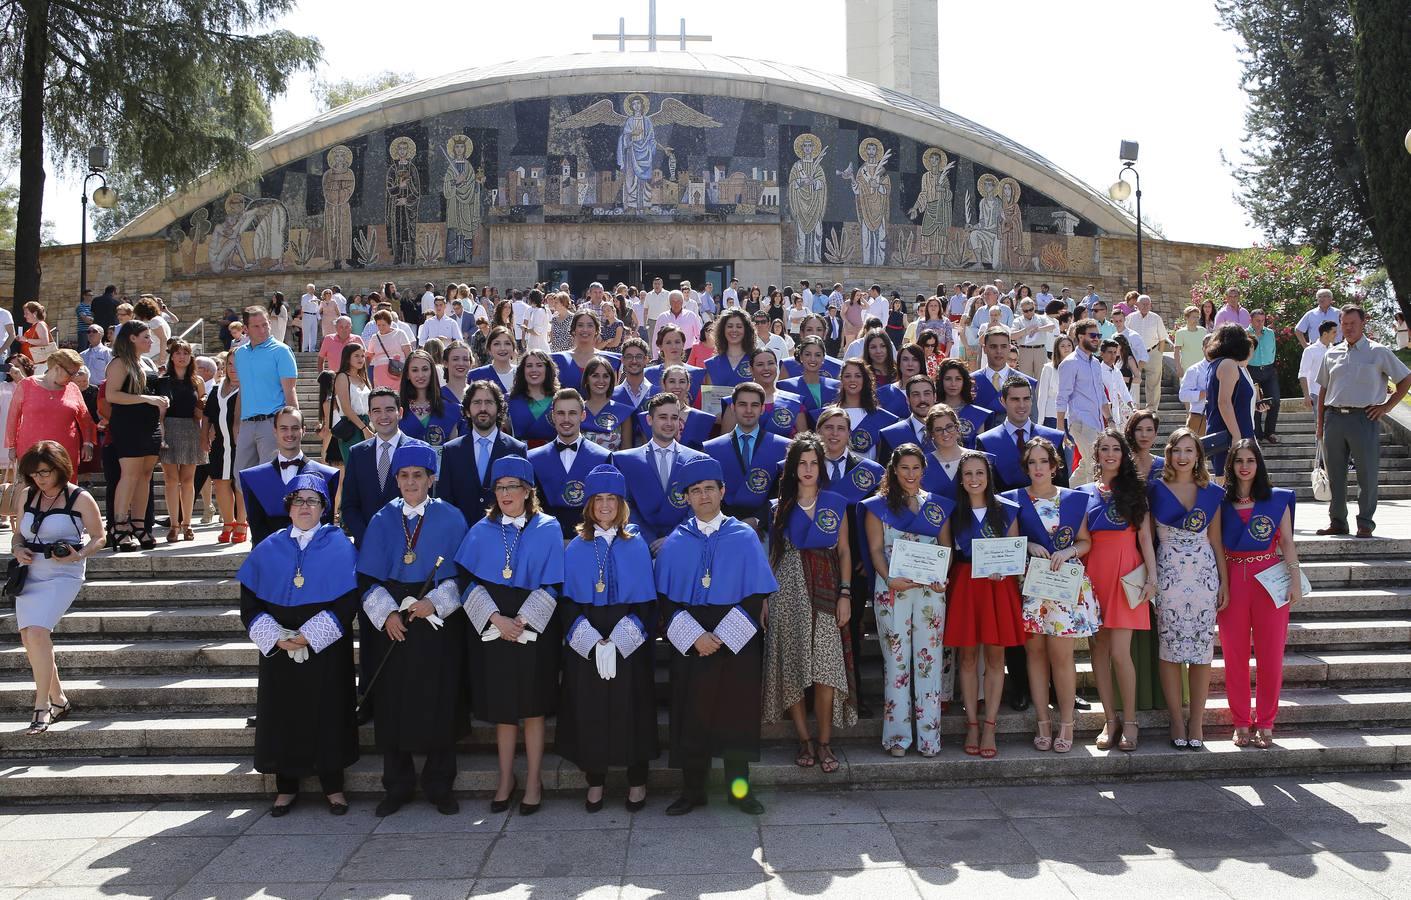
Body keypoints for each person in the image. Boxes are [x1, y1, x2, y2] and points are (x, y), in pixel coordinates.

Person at [656, 455, 775, 816]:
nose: (704, 496)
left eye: (710, 488)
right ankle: (693, 791)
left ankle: (740, 791)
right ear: (687, 498)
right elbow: (665, 599)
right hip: (691, 641)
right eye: (695, 491)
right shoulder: (676, 541)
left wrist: (722, 637)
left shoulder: (744, 536)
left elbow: (756, 593)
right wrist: (696, 638)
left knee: (736, 715)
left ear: (722, 491)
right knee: (692, 715)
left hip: (735, 637)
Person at [355, 446, 469, 816]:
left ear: (431, 479)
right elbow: (367, 578)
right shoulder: (381, 518)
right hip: (394, 623)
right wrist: (387, 613)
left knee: (439, 699)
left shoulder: (451, 518)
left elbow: (463, 576)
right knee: (393, 702)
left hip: (434, 620)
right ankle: (397, 786)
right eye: (403, 476)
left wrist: (435, 602)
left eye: (418, 476)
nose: (410, 483)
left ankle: (440, 785)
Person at [236, 473, 357, 815]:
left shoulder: (339, 544)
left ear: (324, 508)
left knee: (329, 712)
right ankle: (285, 786)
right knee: (283, 713)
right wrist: (277, 635)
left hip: (326, 648)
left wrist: (311, 635)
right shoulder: (268, 547)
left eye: (313, 501)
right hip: (280, 647)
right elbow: (250, 603)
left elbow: (348, 602)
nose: (306, 507)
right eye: (299, 501)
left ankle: (333, 786)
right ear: (289, 507)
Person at [458, 455, 564, 815]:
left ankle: (533, 780)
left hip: (535, 626)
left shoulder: (548, 527)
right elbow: (466, 581)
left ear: (527, 491)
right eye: (500, 487)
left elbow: (554, 581)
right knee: (504, 710)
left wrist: (523, 620)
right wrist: (495, 619)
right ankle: (506, 779)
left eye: (512, 487)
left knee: (533, 708)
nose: (505, 493)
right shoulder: (480, 529)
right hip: (494, 627)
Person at [557, 464, 659, 812]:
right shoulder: (574, 547)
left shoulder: (636, 543)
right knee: (590, 710)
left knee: (634, 709)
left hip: (629, 637)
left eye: (611, 499)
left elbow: (647, 602)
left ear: (621, 504)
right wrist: (590, 641)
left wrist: (619, 641)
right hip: (587, 639)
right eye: (598, 499)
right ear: (588, 505)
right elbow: (567, 602)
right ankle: (595, 780)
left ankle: (637, 781)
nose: (604, 506)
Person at [765, 435, 857, 772]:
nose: (807, 469)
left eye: (814, 463)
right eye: (801, 463)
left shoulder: (835, 502)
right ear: (792, 468)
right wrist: (765, 599)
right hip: (786, 590)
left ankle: (824, 742)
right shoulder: (779, 507)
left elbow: (845, 550)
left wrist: (846, 594)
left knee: (826, 669)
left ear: (821, 466)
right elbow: (772, 556)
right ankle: (804, 740)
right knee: (793, 667)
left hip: (827, 588)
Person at [860, 443, 953, 756]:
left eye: (916, 468)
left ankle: (929, 738)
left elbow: (946, 548)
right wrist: (889, 579)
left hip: (930, 594)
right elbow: (874, 550)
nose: (910, 474)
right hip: (892, 590)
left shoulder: (937, 506)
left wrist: (943, 578)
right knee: (896, 665)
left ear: (923, 471)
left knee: (929, 662)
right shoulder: (877, 506)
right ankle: (898, 738)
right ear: (894, 471)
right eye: (904, 468)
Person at [1006, 438, 1095, 755]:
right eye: (1032, 462)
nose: (1038, 468)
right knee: (1035, 655)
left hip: (1063, 587)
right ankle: (1042, 722)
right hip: (1031, 586)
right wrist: (1028, 546)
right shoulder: (1014, 501)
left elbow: (1085, 541)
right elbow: (1010, 544)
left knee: (1062, 657)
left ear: (1055, 466)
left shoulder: (1072, 500)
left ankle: (1067, 723)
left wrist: (1070, 550)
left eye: (1044, 461)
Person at [8, 442, 105, 734]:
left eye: (45, 472)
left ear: (60, 468)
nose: (39, 479)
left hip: (64, 572)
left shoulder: (80, 497)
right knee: (29, 637)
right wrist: (17, 551)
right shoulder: (26, 494)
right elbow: (17, 536)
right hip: (30, 571)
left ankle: (42, 705)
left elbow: (100, 537)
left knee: (37, 633)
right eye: (34, 473)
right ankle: (59, 699)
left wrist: (80, 554)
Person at [1079, 430, 1159, 752]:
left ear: (1123, 454)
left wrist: (1152, 576)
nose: (1110, 454)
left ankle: (1130, 720)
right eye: (1104, 449)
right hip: (1094, 572)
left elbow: (1144, 539)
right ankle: (1108, 719)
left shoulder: (1137, 491)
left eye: (1116, 449)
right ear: (1096, 454)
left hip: (1127, 574)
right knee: (1097, 648)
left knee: (1120, 652)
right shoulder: (1083, 492)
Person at [1220, 439, 1301, 748]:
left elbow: (1288, 544)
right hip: (1233, 579)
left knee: (1270, 655)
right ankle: (1241, 721)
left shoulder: (1275, 499)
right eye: (1239, 460)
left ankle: (1266, 722)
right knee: (1234, 654)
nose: (1244, 466)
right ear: (1231, 465)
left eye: (1250, 460)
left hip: (1270, 579)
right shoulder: (1221, 502)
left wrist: (1295, 579)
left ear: (1259, 464)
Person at [1149, 428, 1226, 750]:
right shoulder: (1154, 489)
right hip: (1168, 574)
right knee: (1169, 649)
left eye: (1189, 451)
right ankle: (1176, 720)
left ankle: (1196, 720)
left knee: (1201, 651)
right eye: (1177, 450)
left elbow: (1216, 540)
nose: (1182, 456)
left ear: (1198, 456)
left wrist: (1225, 581)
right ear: (1169, 454)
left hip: (1204, 575)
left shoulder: (1211, 492)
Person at [945, 452, 1024, 758]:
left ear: (989, 477)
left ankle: (990, 724)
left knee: (994, 658)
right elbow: (948, 552)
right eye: (968, 474)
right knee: (967, 659)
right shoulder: (953, 512)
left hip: (997, 586)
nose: (974, 479)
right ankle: (972, 723)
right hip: (966, 583)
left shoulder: (1007, 510)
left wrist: (1005, 568)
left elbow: (1014, 554)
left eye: (980, 473)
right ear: (961, 479)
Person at [1315, 305, 1411, 537]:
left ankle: (1365, 522)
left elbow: (1405, 379)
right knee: (1335, 473)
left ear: (1363, 323)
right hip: (1334, 418)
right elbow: (1323, 392)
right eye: (1344, 324)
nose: (1348, 328)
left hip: (1364, 418)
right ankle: (1337, 521)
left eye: (1352, 324)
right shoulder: (1331, 353)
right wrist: (1319, 425)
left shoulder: (1379, 352)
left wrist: (1386, 407)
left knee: (1366, 474)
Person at [616, 393, 708, 552]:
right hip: (640, 546)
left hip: (685, 545)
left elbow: (699, 505)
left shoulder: (698, 459)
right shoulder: (625, 460)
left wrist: (675, 538)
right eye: (663, 417)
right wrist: (648, 540)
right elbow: (625, 504)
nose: (669, 423)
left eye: (674, 417)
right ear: (649, 420)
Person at [104, 323, 166, 551]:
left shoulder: (148, 362)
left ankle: (139, 524)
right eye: (146, 337)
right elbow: (112, 395)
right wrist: (147, 399)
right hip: (128, 424)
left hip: (149, 424)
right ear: (131, 338)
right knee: (129, 475)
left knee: (146, 475)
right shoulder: (119, 362)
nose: (151, 341)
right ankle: (119, 526)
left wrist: (160, 397)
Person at [239, 407, 340, 546]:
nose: (289, 433)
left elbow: (325, 525)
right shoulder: (255, 478)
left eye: (294, 428)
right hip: (270, 555)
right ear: (275, 432)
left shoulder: (326, 476)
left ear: (303, 430)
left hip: (312, 554)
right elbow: (257, 528)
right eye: (283, 428)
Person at [704, 382, 789, 531]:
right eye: (742, 404)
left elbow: (786, 491)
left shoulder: (784, 447)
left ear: (762, 409)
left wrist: (757, 520)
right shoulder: (712, 449)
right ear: (733, 407)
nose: (748, 410)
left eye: (755, 405)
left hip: (769, 528)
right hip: (722, 528)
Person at [529, 388, 612, 538]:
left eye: (572, 413)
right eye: (560, 413)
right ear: (553, 416)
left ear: (583, 415)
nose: (566, 419)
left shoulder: (603, 458)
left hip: (589, 541)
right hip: (546, 540)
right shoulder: (533, 459)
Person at [4, 348, 96, 473]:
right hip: (31, 451)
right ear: (57, 367)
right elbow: (13, 417)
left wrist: (87, 443)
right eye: (71, 373)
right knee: (32, 489)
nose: (73, 377)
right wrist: (12, 446)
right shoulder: (26, 385)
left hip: (65, 453)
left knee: (64, 490)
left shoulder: (73, 388)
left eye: (76, 373)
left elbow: (86, 419)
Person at [232, 306, 298, 474]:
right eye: (256, 326)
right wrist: (237, 422)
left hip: (272, 424)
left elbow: (290, 390)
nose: (262, 330)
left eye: (265, 324)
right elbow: (242, 390)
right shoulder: (240, 354)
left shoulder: (281, 351)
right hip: (246, 424)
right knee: (242, 480)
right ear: (245, 329)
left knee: (271, 479)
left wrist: (294, 426)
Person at [976, 377, 1069, 493]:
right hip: (1004, 509)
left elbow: (1063, 489)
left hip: (1045, 508)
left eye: (1026, 399)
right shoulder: (986, 442)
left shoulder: (1054, 438)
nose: (1022, 405)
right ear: (1003, 401)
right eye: (1015, 399)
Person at [156, 339, 207, 542]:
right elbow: (158, 410)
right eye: (177, 353)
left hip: (191, 428)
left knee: (188, 480)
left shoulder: (198, 381)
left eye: (185, 353)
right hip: (168, 427)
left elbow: (200, 414)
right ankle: (174, 525)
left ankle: (187, 524)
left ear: (190, 357)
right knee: (170, 480)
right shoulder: (163, 380)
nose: (181, 356)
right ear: (172, 356)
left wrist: (202, 407)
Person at [201, 352, 246, 543]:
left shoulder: (248, 389)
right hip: (220, 444)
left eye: (238, 365)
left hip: (240, 443)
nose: (233, 369)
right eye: (230, 364)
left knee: (240, 484)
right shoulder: (216, 389)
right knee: (220, 483)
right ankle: (228, 522)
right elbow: (207, 416)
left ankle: (242, 523)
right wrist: (203, 437)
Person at [1204, 323, 1257, 475]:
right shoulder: (1228, 364)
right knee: (1232, 484)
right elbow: (1224, 402)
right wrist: (1236, 436)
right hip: (1231, 432)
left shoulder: (1215, 364)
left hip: (1228, 430)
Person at [718, 348, 803, 438]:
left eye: (770, 363)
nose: (766, 368)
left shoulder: (794, 402)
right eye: (760, 364)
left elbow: (803, 444)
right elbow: (725, 442)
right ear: (751, 369)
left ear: (776, 367)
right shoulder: (734, 401)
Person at [637, 363, 712, 450]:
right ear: (664, 384)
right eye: (672, 381)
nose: (677, 386)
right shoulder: (647, 417)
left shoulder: (701, 418)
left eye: (682, 382)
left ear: (688, 386)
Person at [397, 350, 460, 452]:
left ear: (432, 372)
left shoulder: (451, 410)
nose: (421, 375)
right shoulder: (396, 409)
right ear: (407, 374)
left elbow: (454, 452)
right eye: (415, 370)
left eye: (425, 369)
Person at [1245, 309, 1280, 443]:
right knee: (1254, 401)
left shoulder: (1270, 333)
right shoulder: (1245, 333)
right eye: (1257, 321)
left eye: (1262, 321)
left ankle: (1270, 432)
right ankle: (1257, 434)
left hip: (1268, 370)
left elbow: (1273, 350)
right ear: (1251, 320)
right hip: (1251, 370)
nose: (1260, 323)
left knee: (1275, 400)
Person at [1128, 294, 1169, 409]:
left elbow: (1162, 338)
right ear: (1137, 305)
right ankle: (1134, 408)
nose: (1145, 306)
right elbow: (1125, 335)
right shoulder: (1130, 318)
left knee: (1154, 383)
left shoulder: (1156, 318)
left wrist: (1159, 353)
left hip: (1153, 352)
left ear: (1151, 305)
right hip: (1135, 354)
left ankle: (1152, 409)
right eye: (1143, 304)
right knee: (1134, 381)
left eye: (1148, 304)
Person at [1179, 333, 1217, 434]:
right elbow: (1183, 395)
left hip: (1219, 416)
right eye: (1208, 347)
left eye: (1214, 346)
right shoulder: (1194, 370)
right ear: (1203, 348)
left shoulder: (1225, 368)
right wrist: (1204, 393)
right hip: (1199, 416)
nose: (1211, 350)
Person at [1299, 321, 1337, 410]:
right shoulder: (1310, 351)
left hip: (1333, 395)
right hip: (1316, 394)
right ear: (1325, 334)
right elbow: (1302, 374)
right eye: (1334, 332)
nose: (1336, 335)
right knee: (1319, 423)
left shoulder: (1335, 350)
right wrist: (1306, 396)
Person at [1126, 410, 1163, 481]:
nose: (1144, 435)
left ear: (1155, 434)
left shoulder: (1164, 465)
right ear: (1131, 432)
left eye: (1149, 430)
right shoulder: (1122, 464)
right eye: (1139, 429)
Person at [1172, 305, 1208, 378]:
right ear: (1186, 317)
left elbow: (1207, 348)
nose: (1196, 319)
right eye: (1193, 317)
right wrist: (1178, 367)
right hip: (1186, 367)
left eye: (1197, 317)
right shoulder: (1180, 333)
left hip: (1202, 367)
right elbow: (1176, 352)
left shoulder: (1203, 331)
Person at [300, 286, 321, 353]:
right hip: (307, 315)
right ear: (308, 289)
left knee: (314, 333)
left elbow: (317, 309)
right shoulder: (304, 296)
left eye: (313, 289)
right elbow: (303, 305)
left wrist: (319, 318)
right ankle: (305, 349)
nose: (312, 290)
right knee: (306, 332)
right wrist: (310, 301)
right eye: (310, 289)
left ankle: (312, 349)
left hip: (314, 316)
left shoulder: (315, 297)